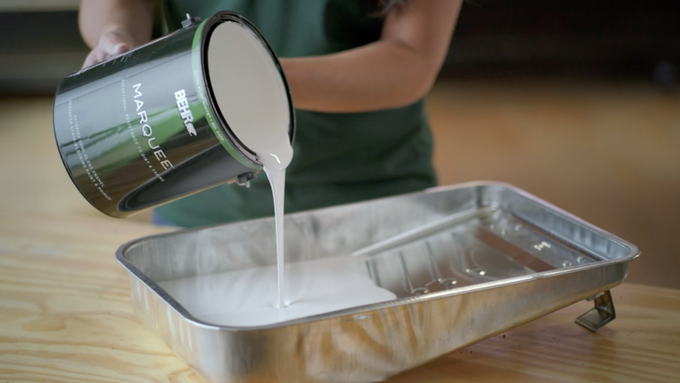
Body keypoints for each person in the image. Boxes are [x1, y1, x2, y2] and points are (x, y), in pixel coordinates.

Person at [79, 0, 463, 227]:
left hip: (370, 194)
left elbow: (412, 56)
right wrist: (115, 37)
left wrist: (249, 73)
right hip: (200, 203)